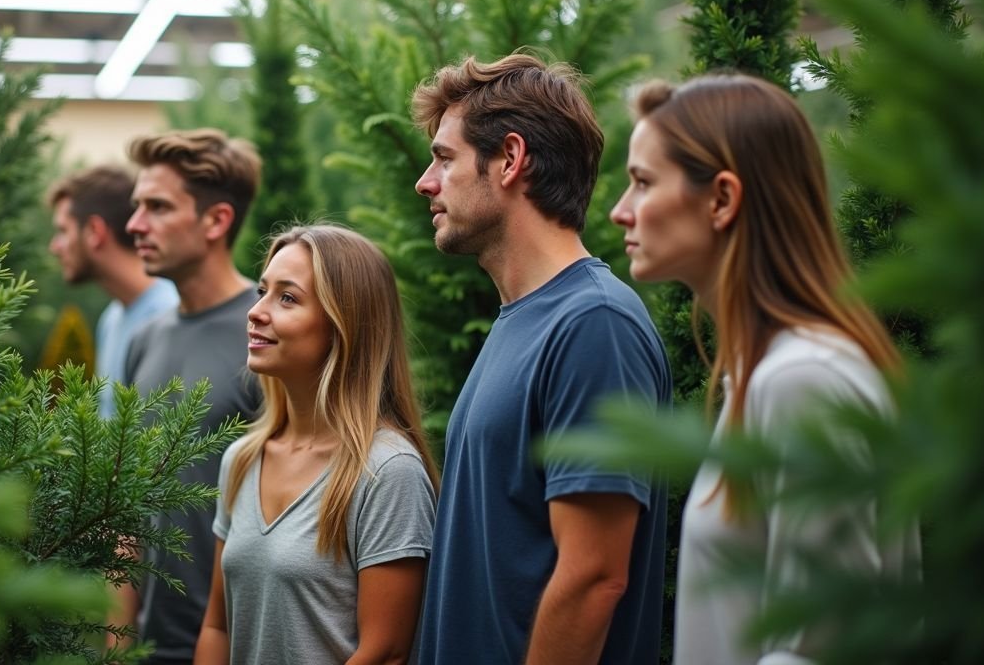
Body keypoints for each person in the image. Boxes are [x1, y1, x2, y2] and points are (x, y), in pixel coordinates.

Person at [608, 73, 922, 664]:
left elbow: (825, 648)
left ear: (722, 199)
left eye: (643, 183)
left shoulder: (805, 379)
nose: (620, 211)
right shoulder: (770, 375)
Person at [412, 53, 672, 665]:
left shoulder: (593, 324)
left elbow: (593, 578)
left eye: (445, 158)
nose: (425, 181)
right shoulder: (522, 320)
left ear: (510, 159)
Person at [194, 225, 438, 665]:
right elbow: (218, 626)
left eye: (287, 298)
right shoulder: (242, 459)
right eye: (262, 291)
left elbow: (385, 653)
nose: (256, 312)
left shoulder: (386, 472)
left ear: (344, 326)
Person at [117, 129, 265, 665]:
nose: (135, 225)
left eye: (157, 207)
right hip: (153, 648)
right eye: (137, 206)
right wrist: (117, 647)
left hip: (238, 646)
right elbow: (124, 511)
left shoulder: (269, 333)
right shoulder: (143, 340)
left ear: (216, 220)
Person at [47, 165, 179, 419]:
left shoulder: (169, 315)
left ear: (95, 232)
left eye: (63, 231)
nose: (54, 246)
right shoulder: (112, 318)